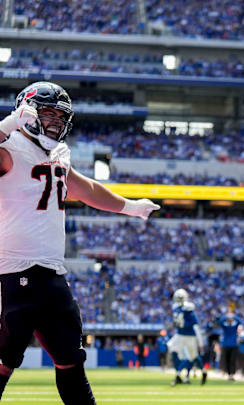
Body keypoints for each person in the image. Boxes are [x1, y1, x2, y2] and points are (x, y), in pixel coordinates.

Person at [0, 81, 160, 404]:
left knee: (72, 363)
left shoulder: (58, 153)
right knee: (3, 364)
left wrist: (130, 206)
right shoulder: (11, 147)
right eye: (48, 114)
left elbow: (86, 189)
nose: (56, 123)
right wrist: (7, 124)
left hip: (52, 275)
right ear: (26, 112)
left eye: (61, 117)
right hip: (11, 274)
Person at [168, 289, 207, 386]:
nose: (178, 299)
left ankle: (203, 371)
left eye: (180, 297)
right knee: (172, 349)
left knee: (193, 357)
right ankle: (178, 375)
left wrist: (184, 324)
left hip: (189, 335)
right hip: (180, 334)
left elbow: (195, 322)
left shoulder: (188, 307)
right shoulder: (175, 307)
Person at [217, 309, 243, 380]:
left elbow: (240, 322)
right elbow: (220, 322)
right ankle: (229, 374)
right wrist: (226, 316)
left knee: (233, 360)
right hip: (226, 345)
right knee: (227, 360)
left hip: (234, 345)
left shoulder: (234, 327)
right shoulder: (226, 327)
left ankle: (232, 374)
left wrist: (233, 316)